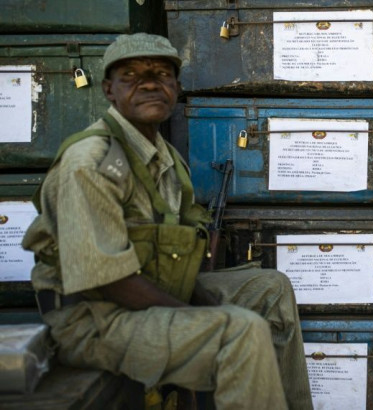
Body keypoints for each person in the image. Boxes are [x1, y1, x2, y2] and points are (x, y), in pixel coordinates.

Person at [22, 33, 313, 409]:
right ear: (109, 90)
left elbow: (174, 256)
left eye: (161, 74)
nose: (148, 83)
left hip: (143, 298)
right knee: (239, 332)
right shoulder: (92, 163)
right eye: (131, 75)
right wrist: (203, 317)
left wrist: (208, 306)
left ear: (175, 88)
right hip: (93, 321)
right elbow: (109, 280)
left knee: (269, 289)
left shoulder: (163, 156)